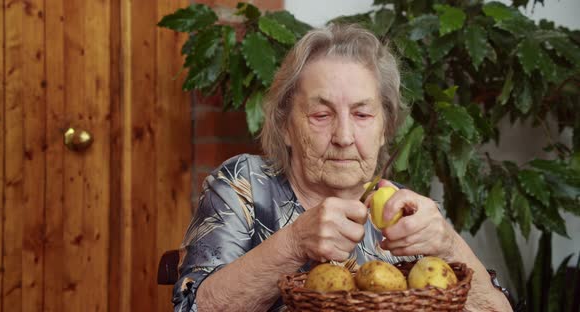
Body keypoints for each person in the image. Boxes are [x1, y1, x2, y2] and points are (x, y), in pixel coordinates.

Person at [172, 24, 513, 312]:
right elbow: (192, 307)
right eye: (321, 115)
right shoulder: (244, 184)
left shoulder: (407, 215)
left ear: (385, 129)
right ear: (286, 126)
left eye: (363, 115)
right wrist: (292, 245)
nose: (344, 137)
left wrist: (449, 245)